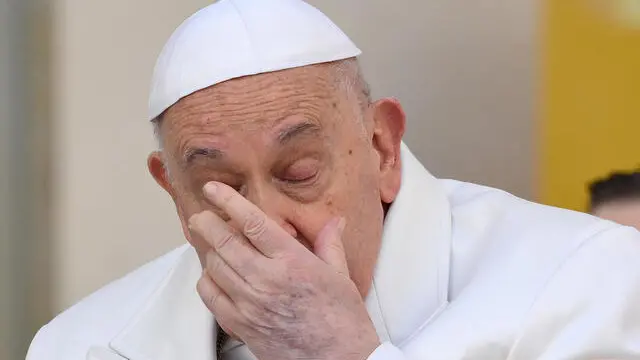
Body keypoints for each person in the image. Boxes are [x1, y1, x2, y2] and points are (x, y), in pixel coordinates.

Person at [27, 1, 640, 359]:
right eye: (221, 188)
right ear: (172, 191)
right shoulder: (77, 344)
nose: (266, 221)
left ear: (383, 147)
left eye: (298, 173)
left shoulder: (587, 278)